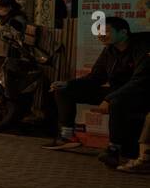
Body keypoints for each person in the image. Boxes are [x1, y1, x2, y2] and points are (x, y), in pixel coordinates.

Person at [46, 17, 150, 166]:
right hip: (116, 92)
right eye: (99, 32)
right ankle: (67, 136)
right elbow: (95, 77)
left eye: (106, 31)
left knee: (116, 101)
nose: (101, 35)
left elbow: (140, 80)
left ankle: (114, 149)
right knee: (64, 91)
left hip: (141, 94)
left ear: (123, 32)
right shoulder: (110, 50)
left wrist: (109, 98)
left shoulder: (143, 48)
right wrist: (67, 84)